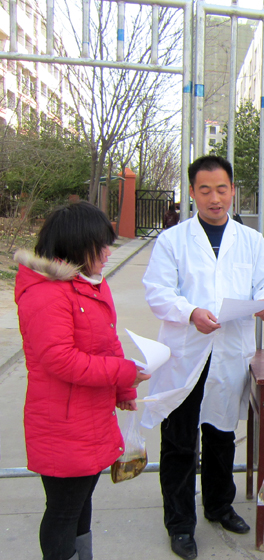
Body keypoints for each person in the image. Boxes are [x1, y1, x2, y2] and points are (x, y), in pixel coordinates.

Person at [142, 155, 264, 560]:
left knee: (222, 435)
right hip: (186, 354)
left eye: (222, 189)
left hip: (229, 352)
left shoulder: (251, 240)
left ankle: (219, 506)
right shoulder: (173, 240)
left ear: (233, 190)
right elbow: (157, 291)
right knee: (179, 441)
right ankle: (180, 524)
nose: (214, 198)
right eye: (205, 190)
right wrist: (190, 312)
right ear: (192, 192)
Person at [14, 202, 150, 560]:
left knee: (81, 502)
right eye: (100, 246)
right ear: (76, 245)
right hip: (61, 422)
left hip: (89, 416)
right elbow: (61, 360)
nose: (107, 253)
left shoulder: (88, 286)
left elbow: (107, 341)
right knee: (63, 510)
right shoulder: (46, 293)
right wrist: (123, 372)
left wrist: (123, 388)